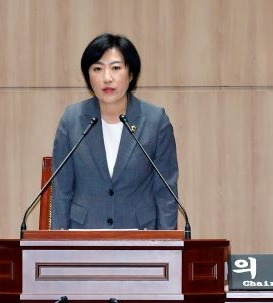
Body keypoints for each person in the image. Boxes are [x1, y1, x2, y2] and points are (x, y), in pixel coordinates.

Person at [51, 33, 179, 230]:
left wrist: (164, 243)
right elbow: (61, 190)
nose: (107, 78)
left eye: (116, 68)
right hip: (83, 236)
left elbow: (166, 194)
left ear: (131, 74)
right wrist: (57, 244)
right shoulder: (71, 120)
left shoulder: (155, 121)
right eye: (97, 69)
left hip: (140, 236)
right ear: (88, 76)